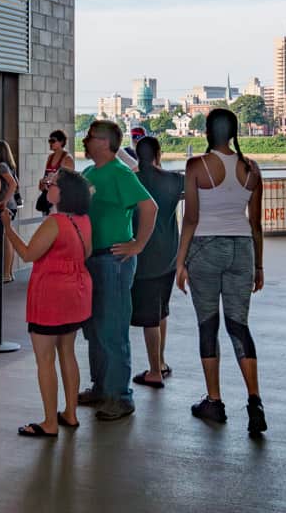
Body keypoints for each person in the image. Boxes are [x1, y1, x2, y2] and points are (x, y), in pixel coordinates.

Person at [175, 108, 268, 434]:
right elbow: (256, 223)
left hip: (205, 248)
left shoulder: (196, 166)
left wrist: (180, 261)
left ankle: (214, 401)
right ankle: (254, 399)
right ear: (233, 132)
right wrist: (258, 265)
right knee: (239, 325)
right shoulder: (251, 168)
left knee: (208, 323)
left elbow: (191, 218)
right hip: (242, 248)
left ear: (206, 132)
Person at [1, 168, 93, 436]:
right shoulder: (84, 220)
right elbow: (86, 252)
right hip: (78, 291)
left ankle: (50, 423)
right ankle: (71, 413)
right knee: (68, 352)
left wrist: (8, 228)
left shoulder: (54, 223)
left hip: (51, 294)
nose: (48, 186)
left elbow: (28, 254)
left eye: (52, 184)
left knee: (44, 359)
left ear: (62, 193)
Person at [77, 120, 157, 421]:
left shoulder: (120, 173)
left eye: (91, 137)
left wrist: (138, 244)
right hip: (92, 260)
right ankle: (101, 388)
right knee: (95, 329)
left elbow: (149, 207)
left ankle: (120, 396)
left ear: (106, 143)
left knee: (112, 328)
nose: (85, 141)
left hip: (113, 261)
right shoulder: (89, 173)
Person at [130, 136, 184, 389]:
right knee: (162, 311)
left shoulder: (132, 180)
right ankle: (160, 362)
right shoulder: (174, 180)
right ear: (159, 154)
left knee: (149, 317)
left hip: (143, 257)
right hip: (170, 255)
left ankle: (153, 371)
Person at [0, 140, 20, 283]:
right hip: (11, 205)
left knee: (6, 239)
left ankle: (6, 274)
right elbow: (16, 183)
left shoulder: (1, 166)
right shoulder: (9, 165)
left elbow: (13, 184)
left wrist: (4, 201)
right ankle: (9, 272)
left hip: (6, 206)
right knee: (8, 237)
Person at [36, 130, 76, 215]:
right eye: (49, 141)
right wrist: (43, 183)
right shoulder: (50, 157)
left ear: (61, 142)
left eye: (53, 141)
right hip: (48, 197)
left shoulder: (67, 158)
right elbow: (45, 177)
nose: (50, 143)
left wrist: (53, 181)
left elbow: (69, 183)